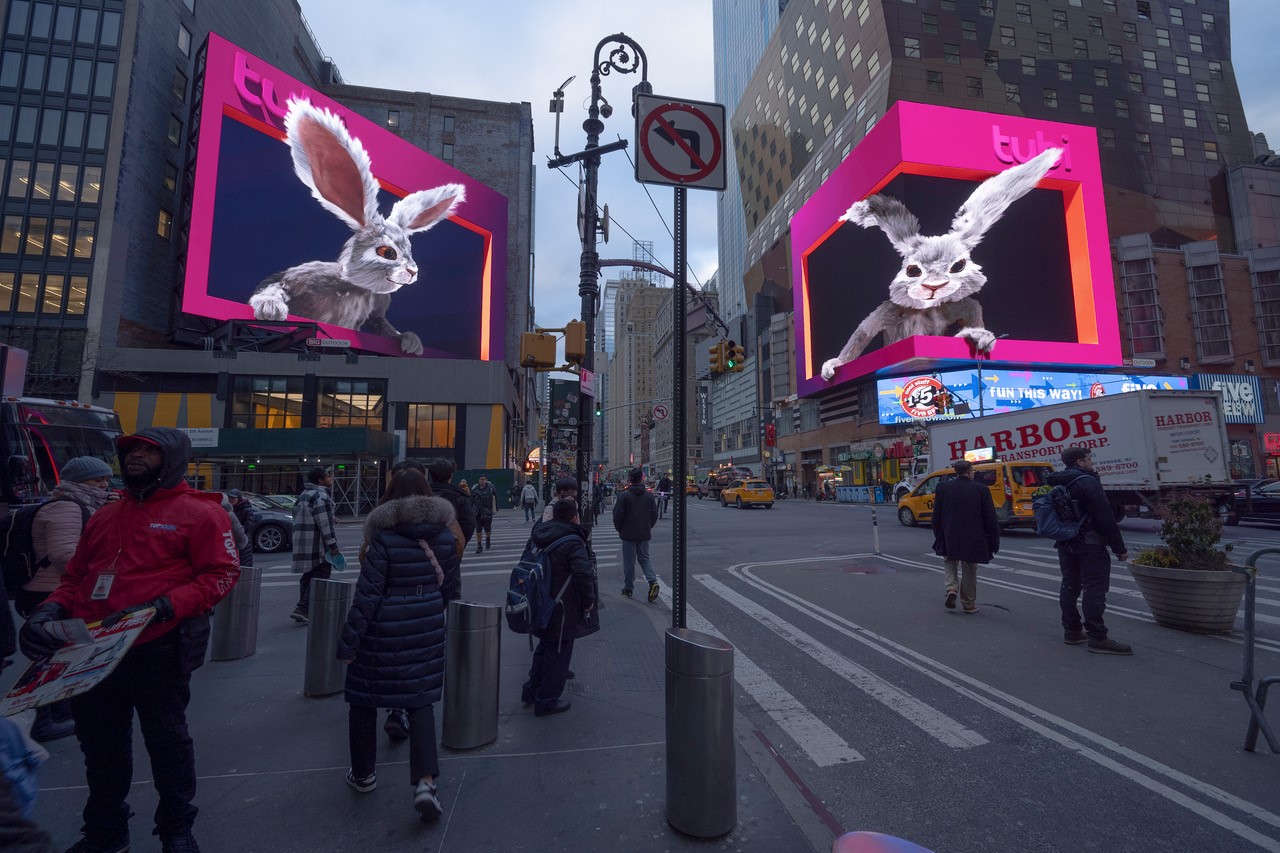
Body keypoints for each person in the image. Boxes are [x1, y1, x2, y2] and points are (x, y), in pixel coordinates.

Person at [20, 427, 240, 853]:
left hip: (157, 646)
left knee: (168, 742)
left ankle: (176, 828)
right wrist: (51, 609)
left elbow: (220, 575)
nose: (135, 457)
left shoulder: (200, 513)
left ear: (172, 459)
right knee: (100, 746)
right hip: (91, 651)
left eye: (148, 451)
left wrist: (163, 606)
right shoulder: (104, 514)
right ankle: (105, 830)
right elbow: (77, 577)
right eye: (131, 450)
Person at [337, 469, 454, 821]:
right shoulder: (444, 535)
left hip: (383, 625)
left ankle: (363, 774)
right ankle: (425, 783)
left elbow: (367, 595)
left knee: (363, 698)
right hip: (428, 620)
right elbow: (448, 585)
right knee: (420, 701)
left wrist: (349, 641)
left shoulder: (384, 536)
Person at [21, 456, 115, 743]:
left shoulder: (86, 504)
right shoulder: (67, 507)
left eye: (105, 478)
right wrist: (104, 566)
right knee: (48, 654)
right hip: (49, 592)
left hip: (58, 589)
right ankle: (42, 719)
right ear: (76, 481)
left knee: (63, 651)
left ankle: (60, 710)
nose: (103, 483)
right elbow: (64, 555)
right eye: (95, 479)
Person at [1046, 446, 1133, 655]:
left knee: (1069, 585)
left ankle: (1073, 631)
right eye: (1088, 458)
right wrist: (1119, 548)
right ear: (1080, 462)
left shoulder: (1057, 482)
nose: (1091, 462)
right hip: (1090, 543)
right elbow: (1105, 518)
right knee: (1094, 588)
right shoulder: (1087, 482)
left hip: (1066, 542)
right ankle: (1097, 637)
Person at [521, 499, 598, 717]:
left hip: (540, 601)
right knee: (559, 652)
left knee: (545, 647)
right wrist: (589, 601)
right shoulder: (572, 541)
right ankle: (547, 700)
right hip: (563, 606)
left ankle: (531, 690)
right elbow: (584, 574)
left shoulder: (540, 533)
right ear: (575, 517)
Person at [930, 460, 1000, 614]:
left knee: (949, 561)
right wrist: (994, 540)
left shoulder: (943, 487)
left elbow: (936, 515)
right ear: (970, 472)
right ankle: (968, 603)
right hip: (973, 535)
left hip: (950, 533)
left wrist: (938, 533)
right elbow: (990, 518)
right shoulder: (981, 489)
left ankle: (952, 588)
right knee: (969, 567)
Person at [290, 467, 340, 625]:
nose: (330, 478)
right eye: (328, 476)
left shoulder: (304, 495)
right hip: (318, 544)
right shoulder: (321, 495)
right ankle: (303, 608)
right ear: (320, 480)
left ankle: (304, 609)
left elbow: (298, 515)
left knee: (308, 576)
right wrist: (333, 545)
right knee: (321, 575)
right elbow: (324, 524)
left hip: (303, 541)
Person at [612, 468, 659, 602]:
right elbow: (654, 514)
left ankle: (628, 589)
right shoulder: (649, 496)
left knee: (629, 563)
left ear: (630, 479)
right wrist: (648, 527)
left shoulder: (624, 496)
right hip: (644, 533)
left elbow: (617, 516)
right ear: (641, 479)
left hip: (628, 534)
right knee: (645, 559)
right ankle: (652, 581)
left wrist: (620, 529)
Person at [426, 458, 476, 548]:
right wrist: (458, 545)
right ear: (451, 475)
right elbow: (468, 526)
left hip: (422, 548)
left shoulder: (420, 494)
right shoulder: (460, 497)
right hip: (450, 547)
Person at [470, 474, 497, 554]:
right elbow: (471, 500)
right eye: (480, 479)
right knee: (478, 529)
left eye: (483, 479)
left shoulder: (491, 488)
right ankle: (479, 545)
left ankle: (488, 539)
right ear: (479, 480)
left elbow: (496, 497)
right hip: (477, 512)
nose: (482, 481)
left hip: (488, 511)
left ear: (486, 480)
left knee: (487, 528)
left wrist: (495, 508)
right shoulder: (475, 489)